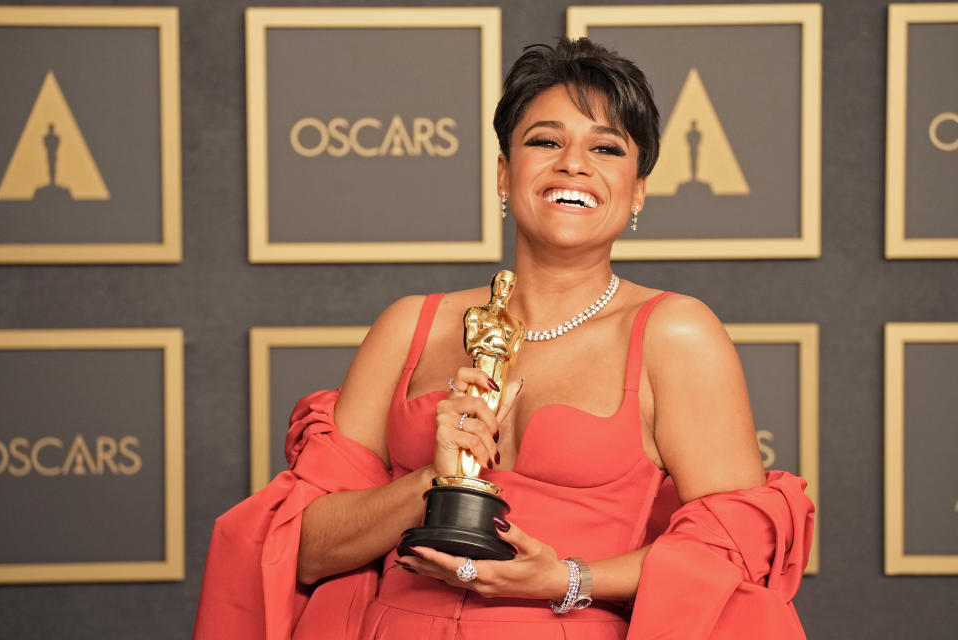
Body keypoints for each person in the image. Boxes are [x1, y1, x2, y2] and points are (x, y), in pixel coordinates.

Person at [194, 38, 814, 640]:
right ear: (503, 172)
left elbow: (729, 552)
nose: (574, 163)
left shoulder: (675, 334)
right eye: (545, 140)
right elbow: (301, 552)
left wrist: (567, 578)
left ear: (638, 191)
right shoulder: (411, 326)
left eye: (607, 148)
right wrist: (430, 487)